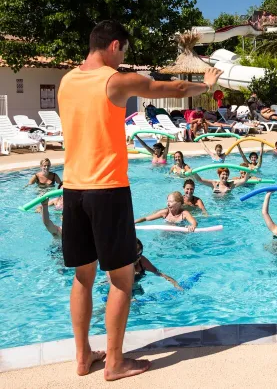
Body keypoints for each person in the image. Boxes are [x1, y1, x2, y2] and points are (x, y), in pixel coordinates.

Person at [57, 20, 222, 380]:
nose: (124, 59)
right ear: (115, 45)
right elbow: (173, 87)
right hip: (107, 190)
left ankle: (83, 357)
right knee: (121, 280)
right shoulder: (113, 80)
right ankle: (114, 362)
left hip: (72, 190)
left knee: (82, 278)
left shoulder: (67, 80)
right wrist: (206, 84)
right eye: (125, 52)